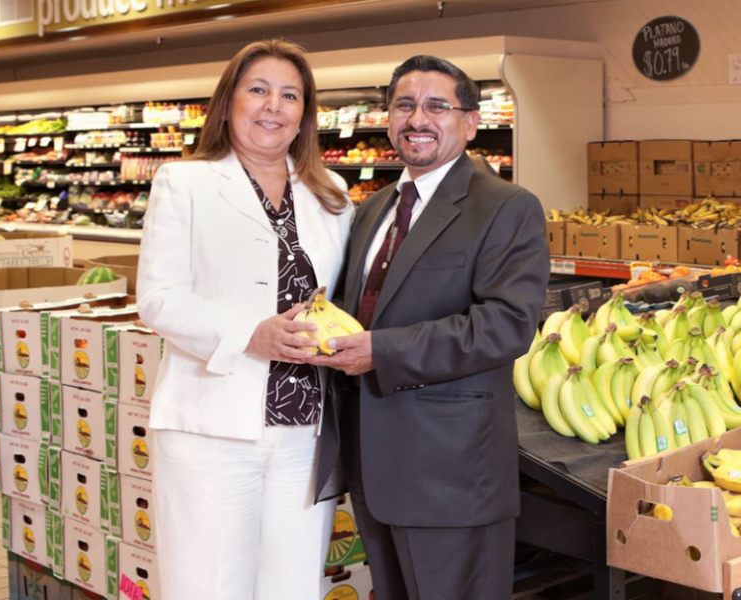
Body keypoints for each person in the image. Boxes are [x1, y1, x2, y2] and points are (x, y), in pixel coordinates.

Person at [311, 55, 550, 600]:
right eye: (404, 105)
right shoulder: (372, 210)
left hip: (451, 473)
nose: (418, 118)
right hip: (372, 462)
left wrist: (380, 351)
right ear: (389, 117)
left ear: (470, 121)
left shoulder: (505, 207)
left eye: (437, 106)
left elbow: (506, 326)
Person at [135, 39, 353, 600]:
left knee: (293, 586)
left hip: (306, 428)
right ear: (229, 101)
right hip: (211, 426)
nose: (272, 106)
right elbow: (159, 297)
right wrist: (251, 335)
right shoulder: (184, 183)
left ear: (305, 113)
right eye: (258, 90)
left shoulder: (331, 197)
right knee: (208, 585)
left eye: (289, 95)